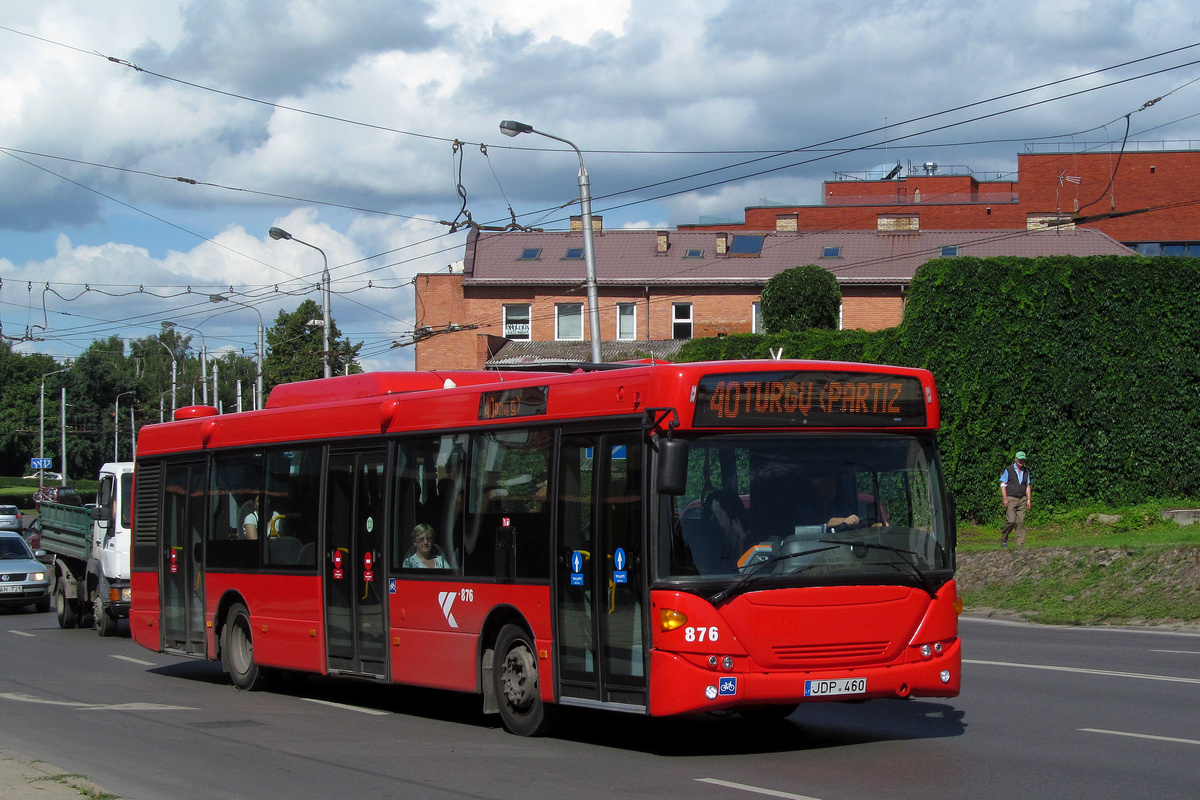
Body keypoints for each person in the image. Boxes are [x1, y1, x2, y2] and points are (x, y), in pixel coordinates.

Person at [797, 474, 864, 531]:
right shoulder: (804, 509)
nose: (832, 489)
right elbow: (814, 523)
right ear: (817, 487)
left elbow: (852, 521)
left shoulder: (840, 508)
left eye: (834, 485)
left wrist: (855, 521)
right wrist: (844, 521)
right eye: (827, 486)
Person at [999, 450, 1032, 548]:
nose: (1021, 462)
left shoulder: (1026, 471)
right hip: (1011, 498)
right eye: (1020, 460)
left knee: (1020, 521)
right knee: (1011, 521)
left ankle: (1019, 544)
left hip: (1022, 499)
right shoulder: (1008, 469)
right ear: (1016, 459)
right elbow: (1003, 485)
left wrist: (1029, 500)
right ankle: (1004, 538)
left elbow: (1027, 486)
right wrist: (1005, 499)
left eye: (1023, 460)